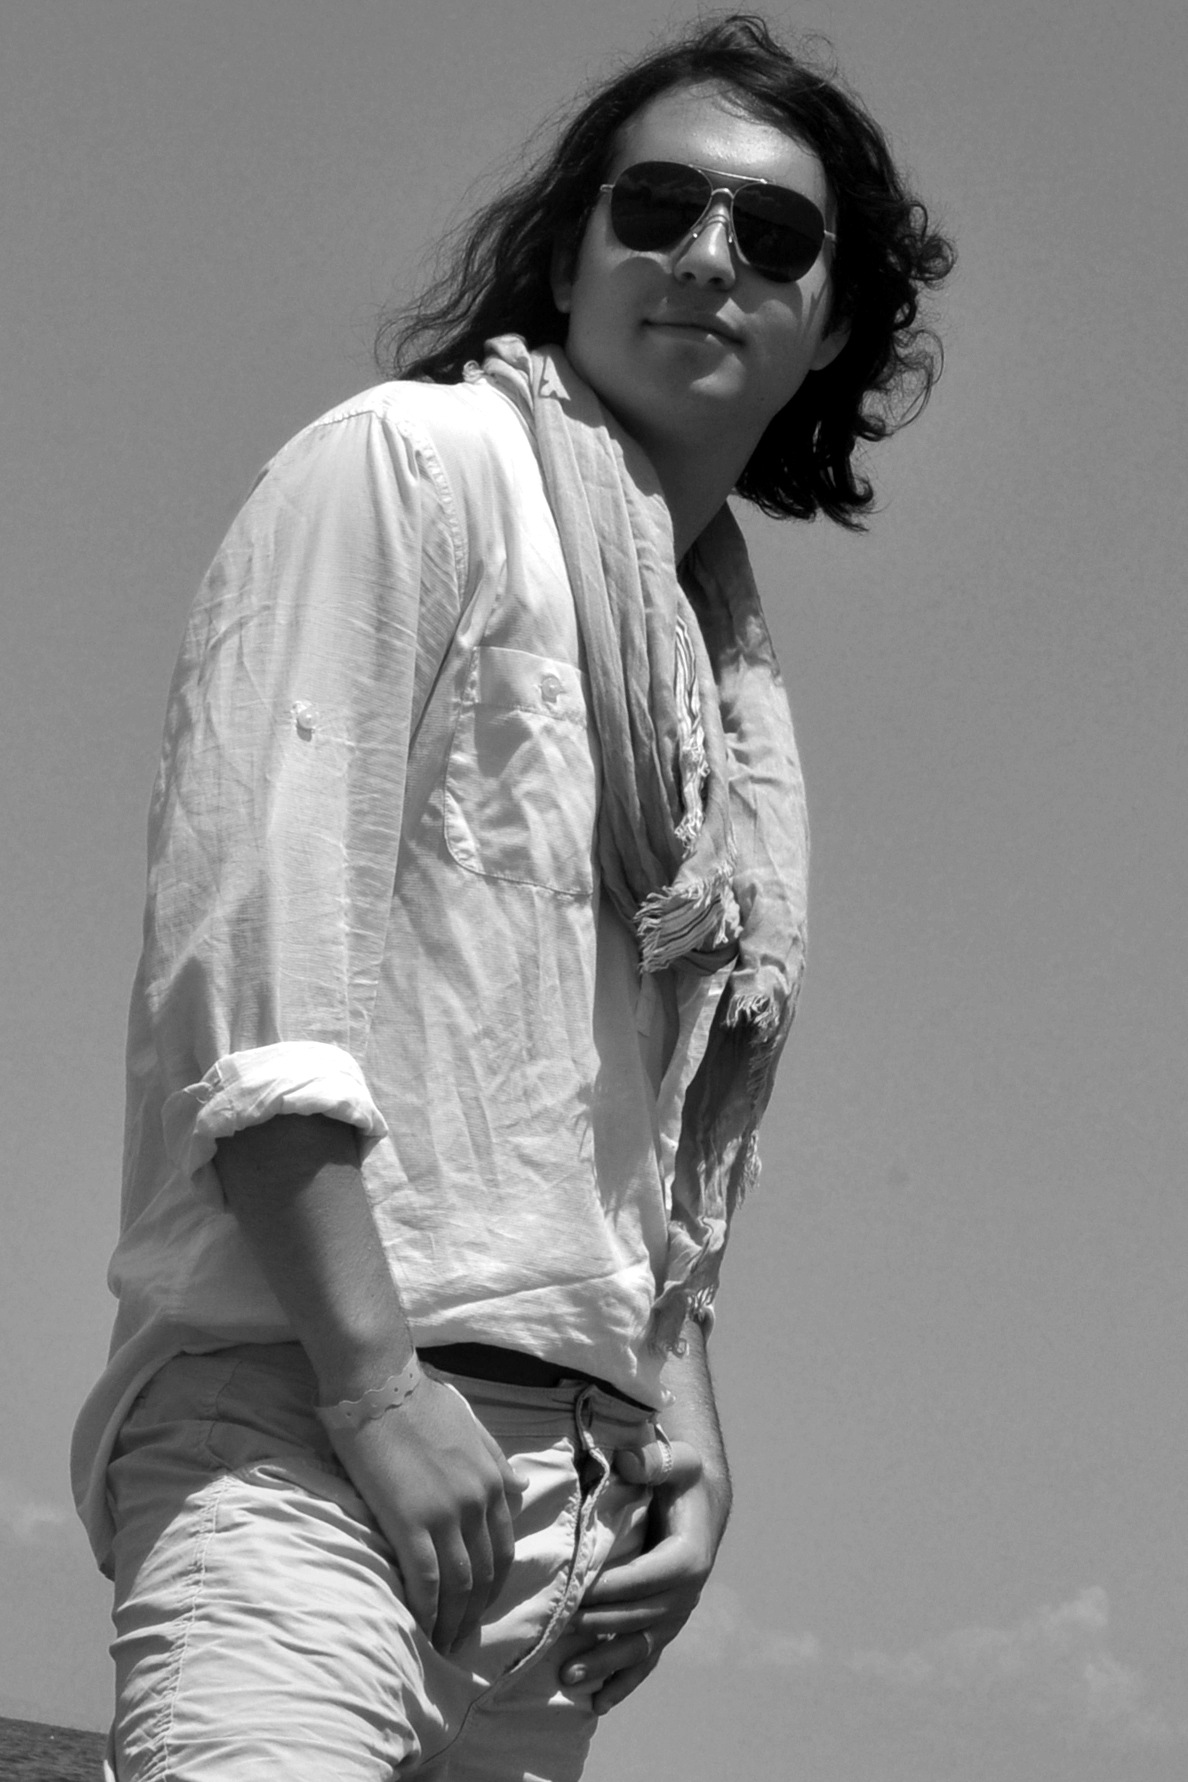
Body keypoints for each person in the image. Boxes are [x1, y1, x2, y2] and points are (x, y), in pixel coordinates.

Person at [72, 14, 953, 1780]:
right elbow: (252, 966)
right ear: (567, 256)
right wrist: (375, 1388)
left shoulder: (715, 682)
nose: (710, 254)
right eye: (660, 206)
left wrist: (687, 1417)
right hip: (309, 1440)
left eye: (776, 235)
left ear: (831, 323)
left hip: (571, 1528)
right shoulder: (408, 466)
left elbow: (635, 1130)